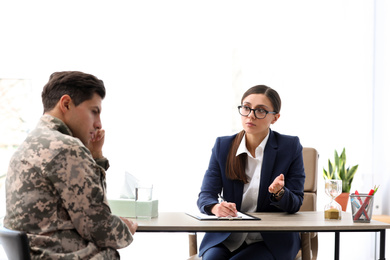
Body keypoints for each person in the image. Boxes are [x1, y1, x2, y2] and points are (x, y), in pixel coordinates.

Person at [4, 71, 137, 259]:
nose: (99, 124)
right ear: (66, 104)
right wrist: (127, 229)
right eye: (94, 111)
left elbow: (93, 213)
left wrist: (95, 156)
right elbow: (103, 230)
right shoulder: (66, 147)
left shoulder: (31, 143)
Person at [197, 85, 305, 260]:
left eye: (261, 110)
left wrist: (279, 193)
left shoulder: (290, 147)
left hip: (271, 240)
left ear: (275, 118)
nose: (251, 115)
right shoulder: (223, 146)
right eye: (246, 108)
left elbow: (295, 203)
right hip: (226, 237)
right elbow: (206, 195)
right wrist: (216, 207)